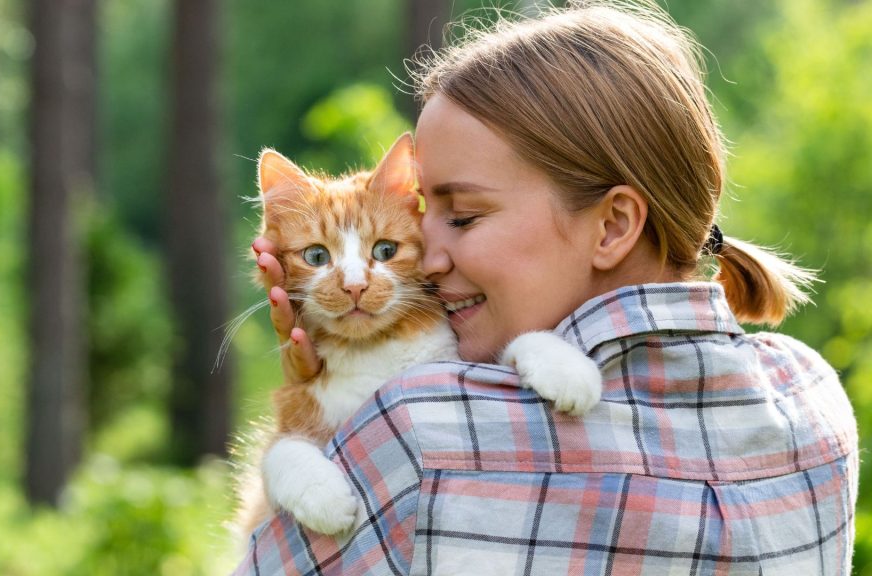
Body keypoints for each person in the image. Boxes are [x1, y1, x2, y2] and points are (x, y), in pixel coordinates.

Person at [235, 3, 858, 575]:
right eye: (424, 215)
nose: (429, 255)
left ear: (612, 226)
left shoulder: (421, 429)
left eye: (463, 217)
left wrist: (336, 403)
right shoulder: (810, 393)